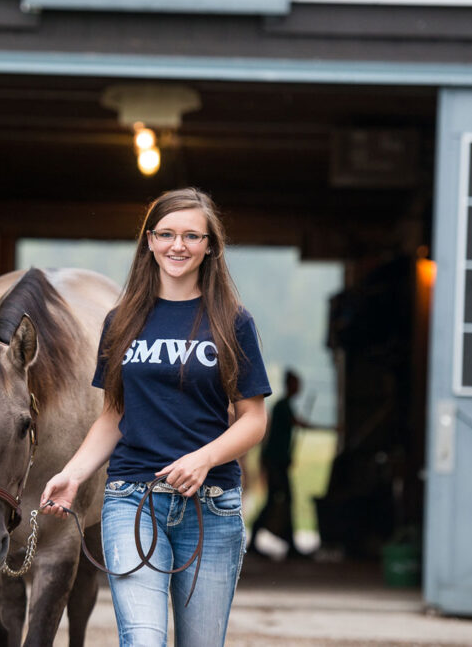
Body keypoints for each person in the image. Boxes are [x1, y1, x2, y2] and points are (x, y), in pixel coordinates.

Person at [41, 187, 271, 647]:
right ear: (149, 241)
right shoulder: (122, 321)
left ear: (210, 246)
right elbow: (113, 415)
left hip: (212, 506)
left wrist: (204, 458)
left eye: (191, 236)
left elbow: (253, 419)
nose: (177, 246)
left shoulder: (232, 322)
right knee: (143, 640)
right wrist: (73, 473)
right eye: (166, 234)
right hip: (132, 499)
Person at [247, 369, 315, 559]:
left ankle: (284, 542)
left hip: (279, 462)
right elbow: (297, 423)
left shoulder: (284, 405)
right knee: (278, 500)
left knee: (279, 500)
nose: (299, 388)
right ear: (289, 385)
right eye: (296, 384)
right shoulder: (282, 406)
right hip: (275, 463)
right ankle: (285, 543)